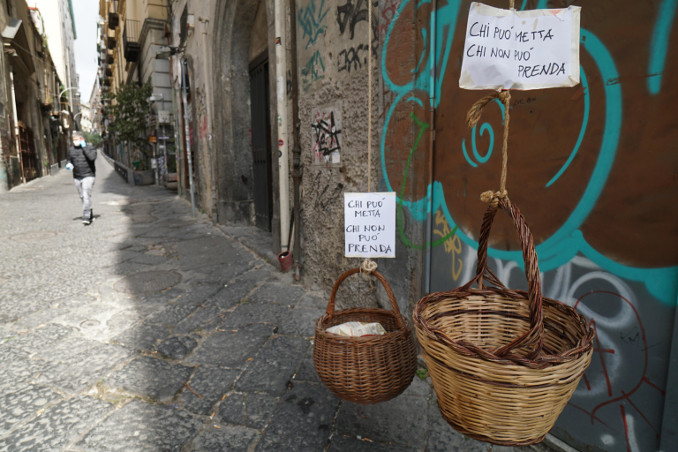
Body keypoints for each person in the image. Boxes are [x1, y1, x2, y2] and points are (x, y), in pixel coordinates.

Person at [66, 131, 97, 225]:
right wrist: (68, 164)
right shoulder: (71, 150)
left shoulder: (90, 148)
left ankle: (86, 216)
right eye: (73, 140)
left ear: (82, 139)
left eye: (76, 139)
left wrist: (84, 147)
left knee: (86, 195)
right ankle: (89, 211)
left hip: (88, 175)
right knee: (82, 196)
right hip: (77, 176)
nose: (75, 141)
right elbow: (68, 159)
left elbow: (92, 158)